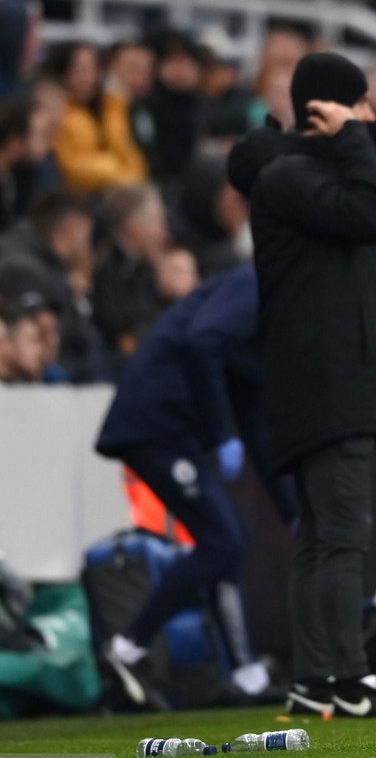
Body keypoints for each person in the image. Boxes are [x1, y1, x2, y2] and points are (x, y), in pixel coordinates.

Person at [227, 52, 376, 718]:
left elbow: (326, 261)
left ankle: (317, 681)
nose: (368, 117)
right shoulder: (294, 174)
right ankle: (347, 679)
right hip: (326, 383)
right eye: (358, 106)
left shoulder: (294, 177)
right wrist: (353, 137)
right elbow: (371, 213)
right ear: (329, 110)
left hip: (319, 375)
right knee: (341, 534)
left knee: (321, 535)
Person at [95, 264, 296, 710]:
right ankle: (127, 647)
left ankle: (245, 675)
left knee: (226, 543)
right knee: (223, 541)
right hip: (154, 422)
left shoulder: (262, 318)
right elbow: (200, 340)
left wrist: (292, 510)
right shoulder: (254, 284)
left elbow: (254, 419)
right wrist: (219, 434)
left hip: (173, 429)